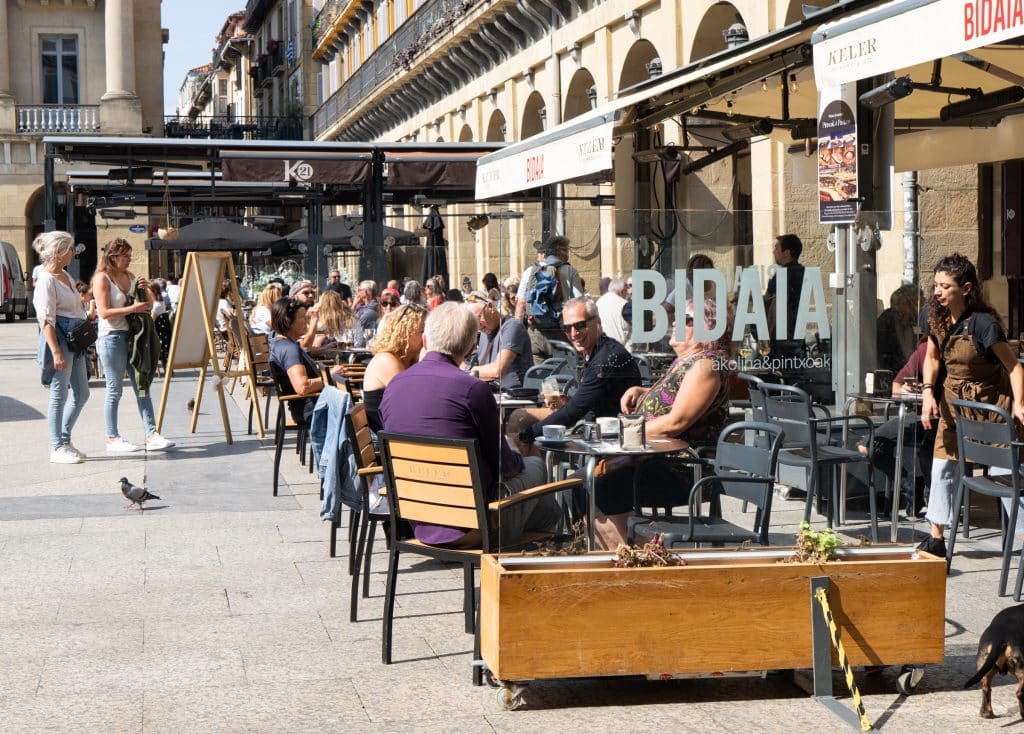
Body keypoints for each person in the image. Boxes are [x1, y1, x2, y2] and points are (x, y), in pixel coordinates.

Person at [379, 302, 558, 547]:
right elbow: (504, 466)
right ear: (473, 347)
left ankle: (534, 546)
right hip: (472, 525)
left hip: (419, 520)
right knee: (536, 466)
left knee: (539, 502)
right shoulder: (472, 389)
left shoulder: (394, 387)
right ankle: (541, 550)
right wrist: (517, 455)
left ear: (424, 340)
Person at [593, 298, 733, 548]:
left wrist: (621, 433)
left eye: (686, 319)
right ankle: (621, 556)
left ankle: (636, 564)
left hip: (687, 471)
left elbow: (676, 422)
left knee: (603, 489)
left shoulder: (706, 366)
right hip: (659, 461)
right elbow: (679, 398)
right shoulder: (690, 362)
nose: (676, 322)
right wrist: (643, 391)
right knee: (588, 482)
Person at [919, 253, 1024, 557]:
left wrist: (1019, 404)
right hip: (954, 406)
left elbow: (1014, 367)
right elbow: (933, 357)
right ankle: (936, 540)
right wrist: (928, 392)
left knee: (1005, 474)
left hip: (990, 408)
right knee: (942, 467)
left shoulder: (983, 325)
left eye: (945, 286)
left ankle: (1020, 535)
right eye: (936, 285)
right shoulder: (934, 316)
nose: (937, 292)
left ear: (965, 289)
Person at [513, 297, 642, 446]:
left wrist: (527, 435)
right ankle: (529, 466)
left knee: (520, 424)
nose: (573, 334)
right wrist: (567, 401)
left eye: (580, 325)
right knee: (520, 417)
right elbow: (592, 401)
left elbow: (573, 413)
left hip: (612, 439)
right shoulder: (597, 350)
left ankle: (519, 464)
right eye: (567, 328)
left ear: (597, 322)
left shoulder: (606, 358)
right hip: (593, 427)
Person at [92, 238, 174, 453]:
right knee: (114, 389)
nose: (129, 260)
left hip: (134, 337)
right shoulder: (102, 278)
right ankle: (112, 437)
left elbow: (147, 306)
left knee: (142, 385)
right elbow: (104, 312)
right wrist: (132, 310)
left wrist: (147, 290)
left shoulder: (130, 277)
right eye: (125, 256)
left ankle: (151, 434)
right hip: (111, 337)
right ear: (113, 257)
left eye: (130, 255)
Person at [33, 232, 91, 463]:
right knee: (59, 395)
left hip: (75, 338)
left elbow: (73, 307)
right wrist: (56, 352)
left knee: (82, 393)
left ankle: (64, 441)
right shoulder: (46, 280)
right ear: (58, 252)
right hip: (60, 339)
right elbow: (46, 320)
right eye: (70, 249)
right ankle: (57, 446)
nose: (73, 252)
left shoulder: (65, 274)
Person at [269, 297, 345, 425]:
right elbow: (302, 387)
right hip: (312, 409)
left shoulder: (280, 343)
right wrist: (330, 375)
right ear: (288, 321)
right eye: (302, 317)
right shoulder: (290, 349)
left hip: (309, 406)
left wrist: (322, 350)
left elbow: (304, 350)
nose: (306, 321)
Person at [362, 303, 427, 432]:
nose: (427, 336)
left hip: (395, 431)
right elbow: (414, 400)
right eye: (423, 331)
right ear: (405, 334)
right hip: (381, 437)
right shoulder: (386, 360)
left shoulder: (407, 359)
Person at [515, 235, 585, 344]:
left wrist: (517, 335)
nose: (568, 254)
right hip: (562, 331)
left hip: (536, 332)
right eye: (567, 250)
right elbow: (580, 303)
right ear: (561, 251)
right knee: (563, 361)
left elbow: (521, 304)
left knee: (537, 360)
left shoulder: (530, 271)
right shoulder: (570, 271)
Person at [466, 290, 532, 390]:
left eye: (478, 318)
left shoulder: (512, 326)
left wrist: (470, 370)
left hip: (514, 396)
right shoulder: (484, 333)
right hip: (492, 392)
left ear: (490, 307)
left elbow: (497, 370)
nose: (478, 326)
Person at [764, 234, 805, 343]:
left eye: (776, 248)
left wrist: (766, 337)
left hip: (780, 340)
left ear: (786, 253)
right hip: (797, 337)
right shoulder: (803, 273)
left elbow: (775, 307)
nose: (773, 252)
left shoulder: (782, 275)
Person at [877, 284, 923, 374]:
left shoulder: (914, 319)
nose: (916, 308)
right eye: (913, 303)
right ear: (901, 303)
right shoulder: (887, 319)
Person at [596, 277, 631, 346]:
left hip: (602, 347)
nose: (627, 295)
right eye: (626, 292)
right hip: (621, 349)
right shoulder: (624, 304)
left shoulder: (598, 303)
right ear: (622, 291)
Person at [289, 280, 319, 348]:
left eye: (312, 292)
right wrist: (314, 320)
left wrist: (324, 349)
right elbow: (305, 347)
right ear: (294, 296)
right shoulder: (290, 316)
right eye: (306, 293)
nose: (311, 296)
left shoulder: (309, 312)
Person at [353, 280, 379, 346]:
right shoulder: (363, 307)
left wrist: (353, 305)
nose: (356, 292)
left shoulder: (369, 311)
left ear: (366, 292)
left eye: (359, 290)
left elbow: (350, 325)